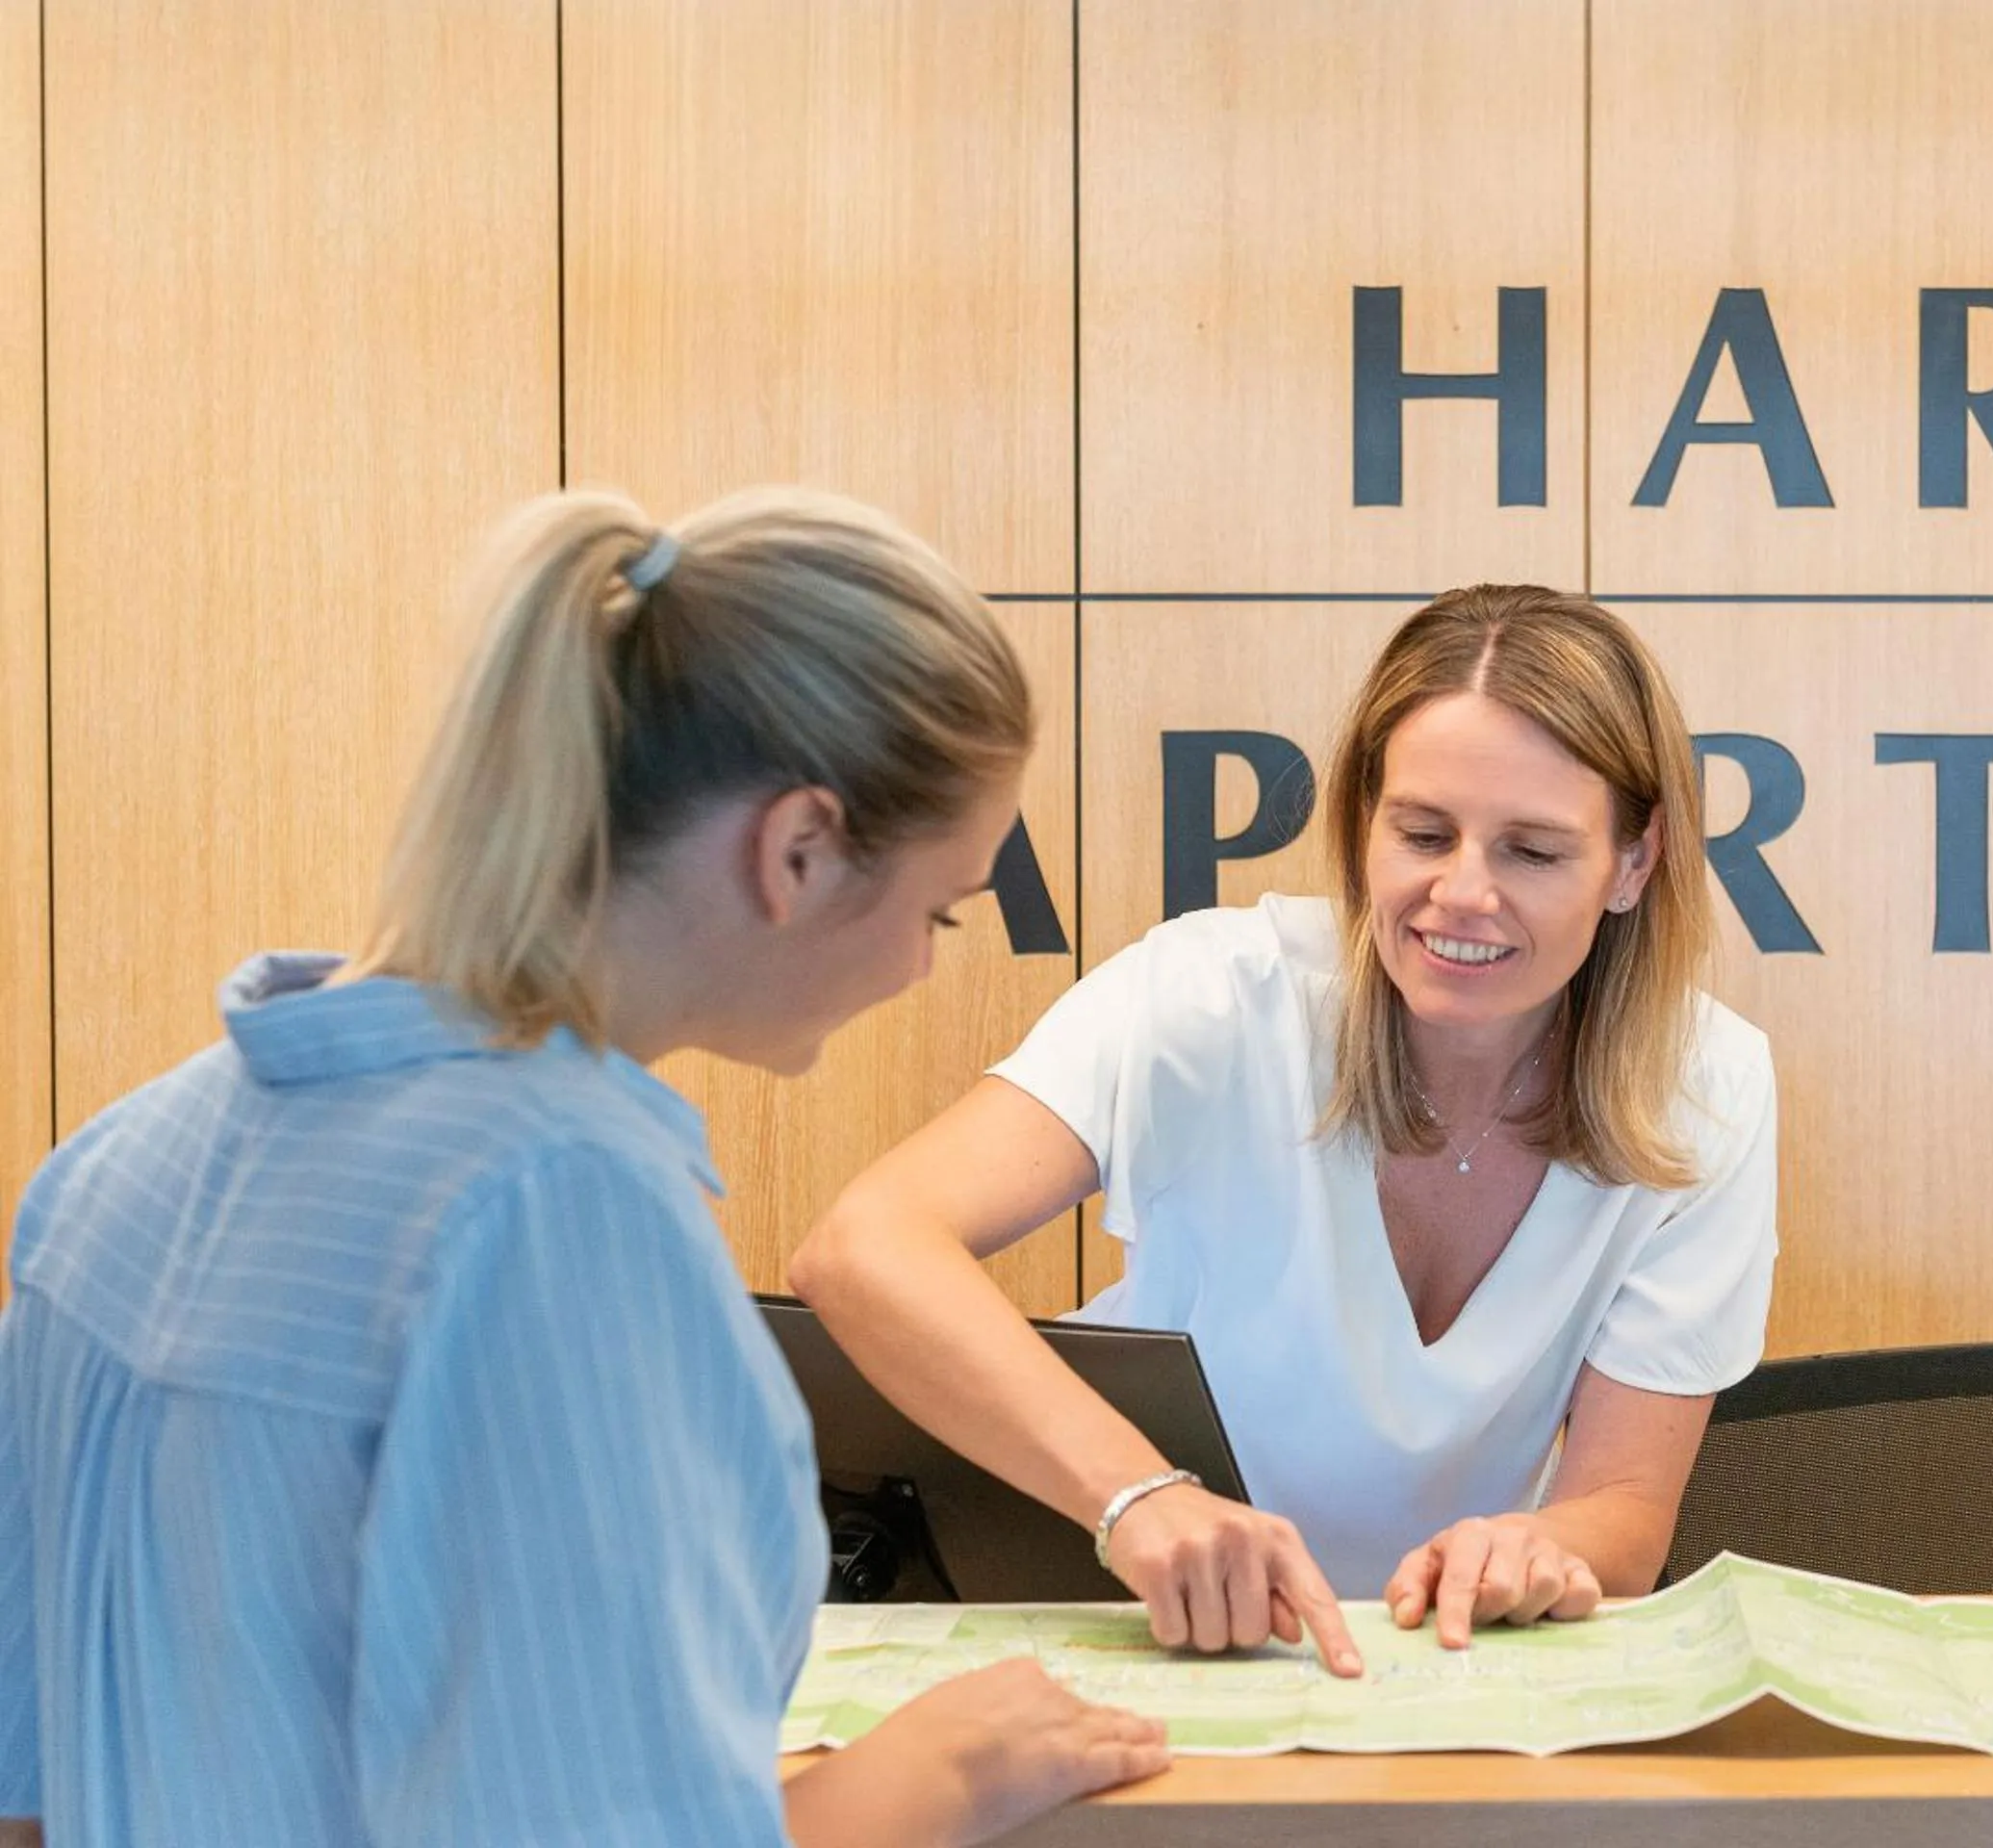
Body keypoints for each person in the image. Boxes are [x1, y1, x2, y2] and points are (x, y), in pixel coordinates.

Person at [0, 489, 1167, 1847]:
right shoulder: (558, 1215)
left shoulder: (110, 1166)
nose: (920, 965)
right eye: (937, 909)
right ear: (796, 850)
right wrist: (940, 1776)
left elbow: (27, 1796)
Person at [792, 583, 1779, 1661]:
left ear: (1633, 864)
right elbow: (863, 1248)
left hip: (1433, 1667)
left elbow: (1624, 1516)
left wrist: (1536, 1551)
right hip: (1111, 1617)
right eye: (1422, 832)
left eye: (1532, 853)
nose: (1461, 892)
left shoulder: (1709, 1089)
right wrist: (1139, 1499)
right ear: (1362, 826)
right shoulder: (1216, 994)